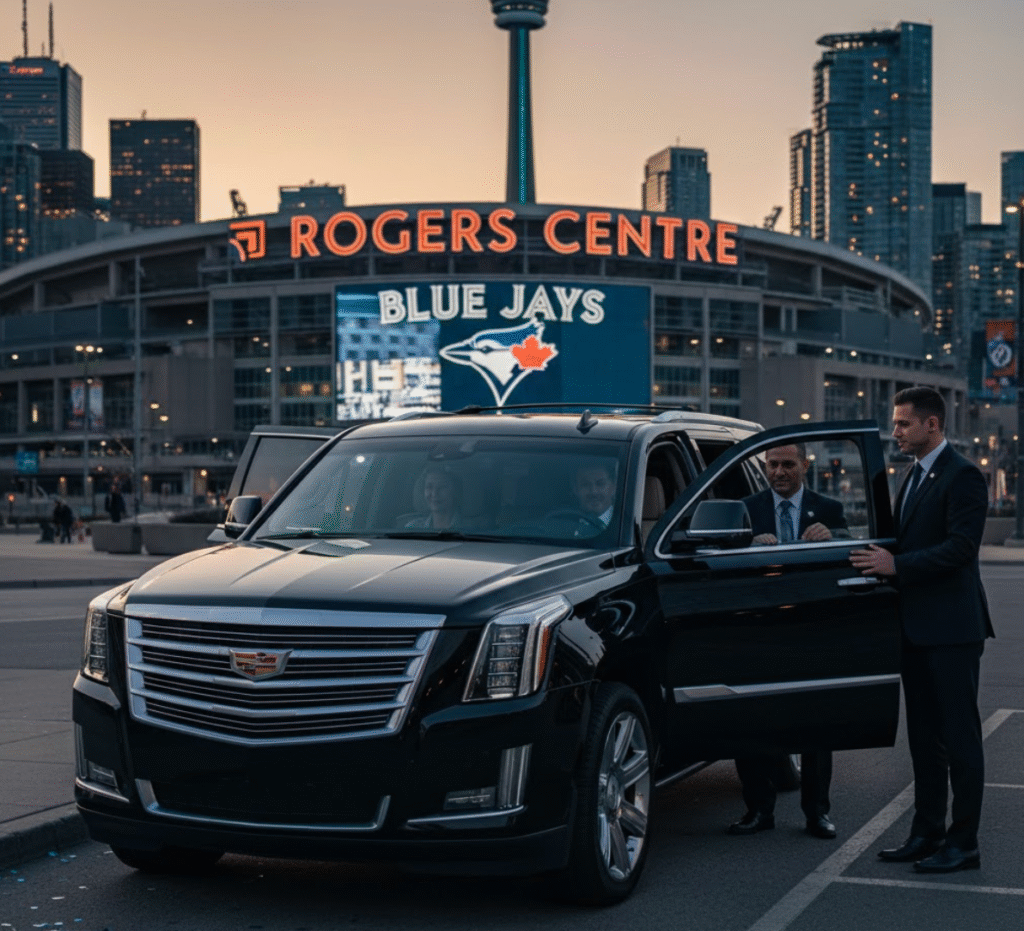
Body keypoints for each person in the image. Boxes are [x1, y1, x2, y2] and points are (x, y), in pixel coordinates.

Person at [851, 386, 993, 873]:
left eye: (903, 423)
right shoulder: (911, 476)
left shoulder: (964, 476)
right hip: (915, 631)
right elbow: (897, 539)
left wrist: (896, 566)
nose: (895, 431)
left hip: (953, 631)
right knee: (925, 741)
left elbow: (960, 550)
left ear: (932, 425)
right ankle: (927, 831)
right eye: (895, 423)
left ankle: (964, 843)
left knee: (960, 741)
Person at [727, 443, 847, 841]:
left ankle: (817, 813)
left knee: (817, 725)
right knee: (752, 719)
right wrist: (746, 551)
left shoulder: (828, 509)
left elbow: (851, 554)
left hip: (809, 631)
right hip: (759, 631)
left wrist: (833, 538)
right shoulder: (745, 509)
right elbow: (722, 566)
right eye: (772, 465)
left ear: (805, 466)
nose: (779, 472)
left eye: (787, 464)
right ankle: (758, 810)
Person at [570, 462, 616, 529]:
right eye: (585, 484)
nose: (594, 492)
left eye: (600, 484)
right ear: (575, 489)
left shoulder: (628, 525)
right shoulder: (564, 523)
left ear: (613, 487)